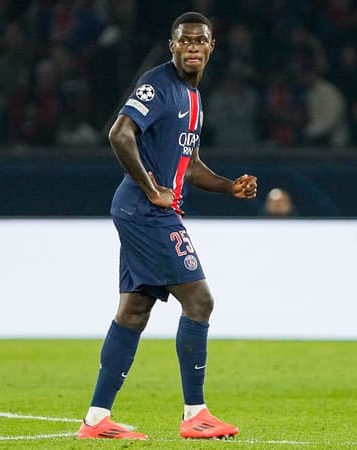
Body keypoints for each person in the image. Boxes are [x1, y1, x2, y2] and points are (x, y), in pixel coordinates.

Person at [77, 12, 257, 441]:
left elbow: (189, 166)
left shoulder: (192, 97)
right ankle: (196, 414)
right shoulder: (157, 84)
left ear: (211, 47)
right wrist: (151, 187)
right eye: (185, 40)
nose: (193, 47)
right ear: (172, 45)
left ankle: (96, 420)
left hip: (142, 210)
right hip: (146, 211)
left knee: (134, 310)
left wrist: (228, 186)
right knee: (200, 300)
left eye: (201, 41)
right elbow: (119, 133)